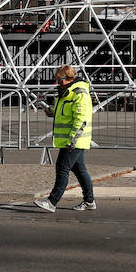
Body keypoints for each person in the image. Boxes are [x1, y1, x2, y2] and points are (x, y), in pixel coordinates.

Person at [33, 65, 96, 213]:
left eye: (59, 79)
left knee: (62, 168)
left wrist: (72, 140)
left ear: (68, 78)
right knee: (80, 170)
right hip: (73, 139)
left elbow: (81, 119)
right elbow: (64, 113)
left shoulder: (79, 93)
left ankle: (52, 201)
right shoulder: (66, 92)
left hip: (74, 140)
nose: (57, 83)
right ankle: (89, 200)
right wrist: (49, 110)